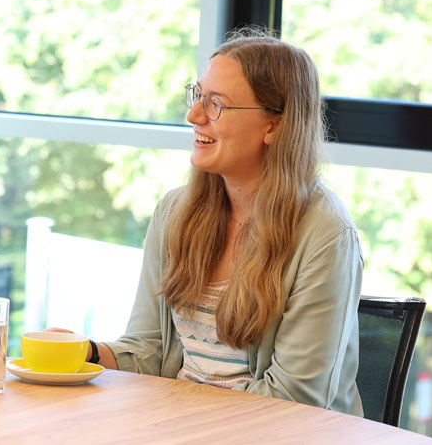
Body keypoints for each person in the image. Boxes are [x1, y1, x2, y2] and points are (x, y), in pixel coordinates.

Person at [66, 31, 363, 415]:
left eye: (216, 104)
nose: (194, 116)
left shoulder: (326, 236)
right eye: (198, 96)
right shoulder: (175, 213)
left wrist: (180, 414)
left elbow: (293, 403)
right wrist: (85, 353)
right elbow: (150, 350)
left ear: (274, 126)